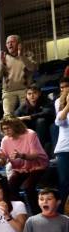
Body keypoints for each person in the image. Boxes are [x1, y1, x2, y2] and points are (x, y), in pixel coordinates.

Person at [0, 115, 49, 214]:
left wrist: (21, 155)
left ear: (15, 126)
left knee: (28, 187)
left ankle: (37, 213)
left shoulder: (30, 134)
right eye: (3, 129)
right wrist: (1, 160)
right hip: (19, 168)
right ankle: (21, 212)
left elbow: (35, 155)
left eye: (8, 128)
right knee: (10, 187)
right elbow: (4, 159)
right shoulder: (5, 140)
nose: (6, 131)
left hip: (38, 166)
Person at [0, 35, 37, 115]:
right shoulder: (4, 57)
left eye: (12, 42)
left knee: (25, 113)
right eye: (8, 43)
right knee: (7, 116)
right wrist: (2, 63)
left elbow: (33, 68)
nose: (10, 44)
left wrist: (21, 56)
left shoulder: (28, 55)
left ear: (19, 44)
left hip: (25, 90)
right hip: (8, 92)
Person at [15, 85, 56, 155]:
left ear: (39, 93)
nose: (32, 95)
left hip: (46, 126)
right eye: (29, 94)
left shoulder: (45, 101)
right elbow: (15, 116)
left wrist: (30, 117)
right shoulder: (24, 105)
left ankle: (39, 150)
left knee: (41, 121)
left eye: (34, 93)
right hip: (32, 127)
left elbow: (47, 112)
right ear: (26, 95)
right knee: (18, 123)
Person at [54, 78, 69, 209]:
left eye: (66, 87)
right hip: (64, 148)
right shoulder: (59, 102)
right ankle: (63, 211)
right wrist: (68, 105)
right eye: (61, 87)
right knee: (64, 182)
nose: (64, 90)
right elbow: (60, 122)